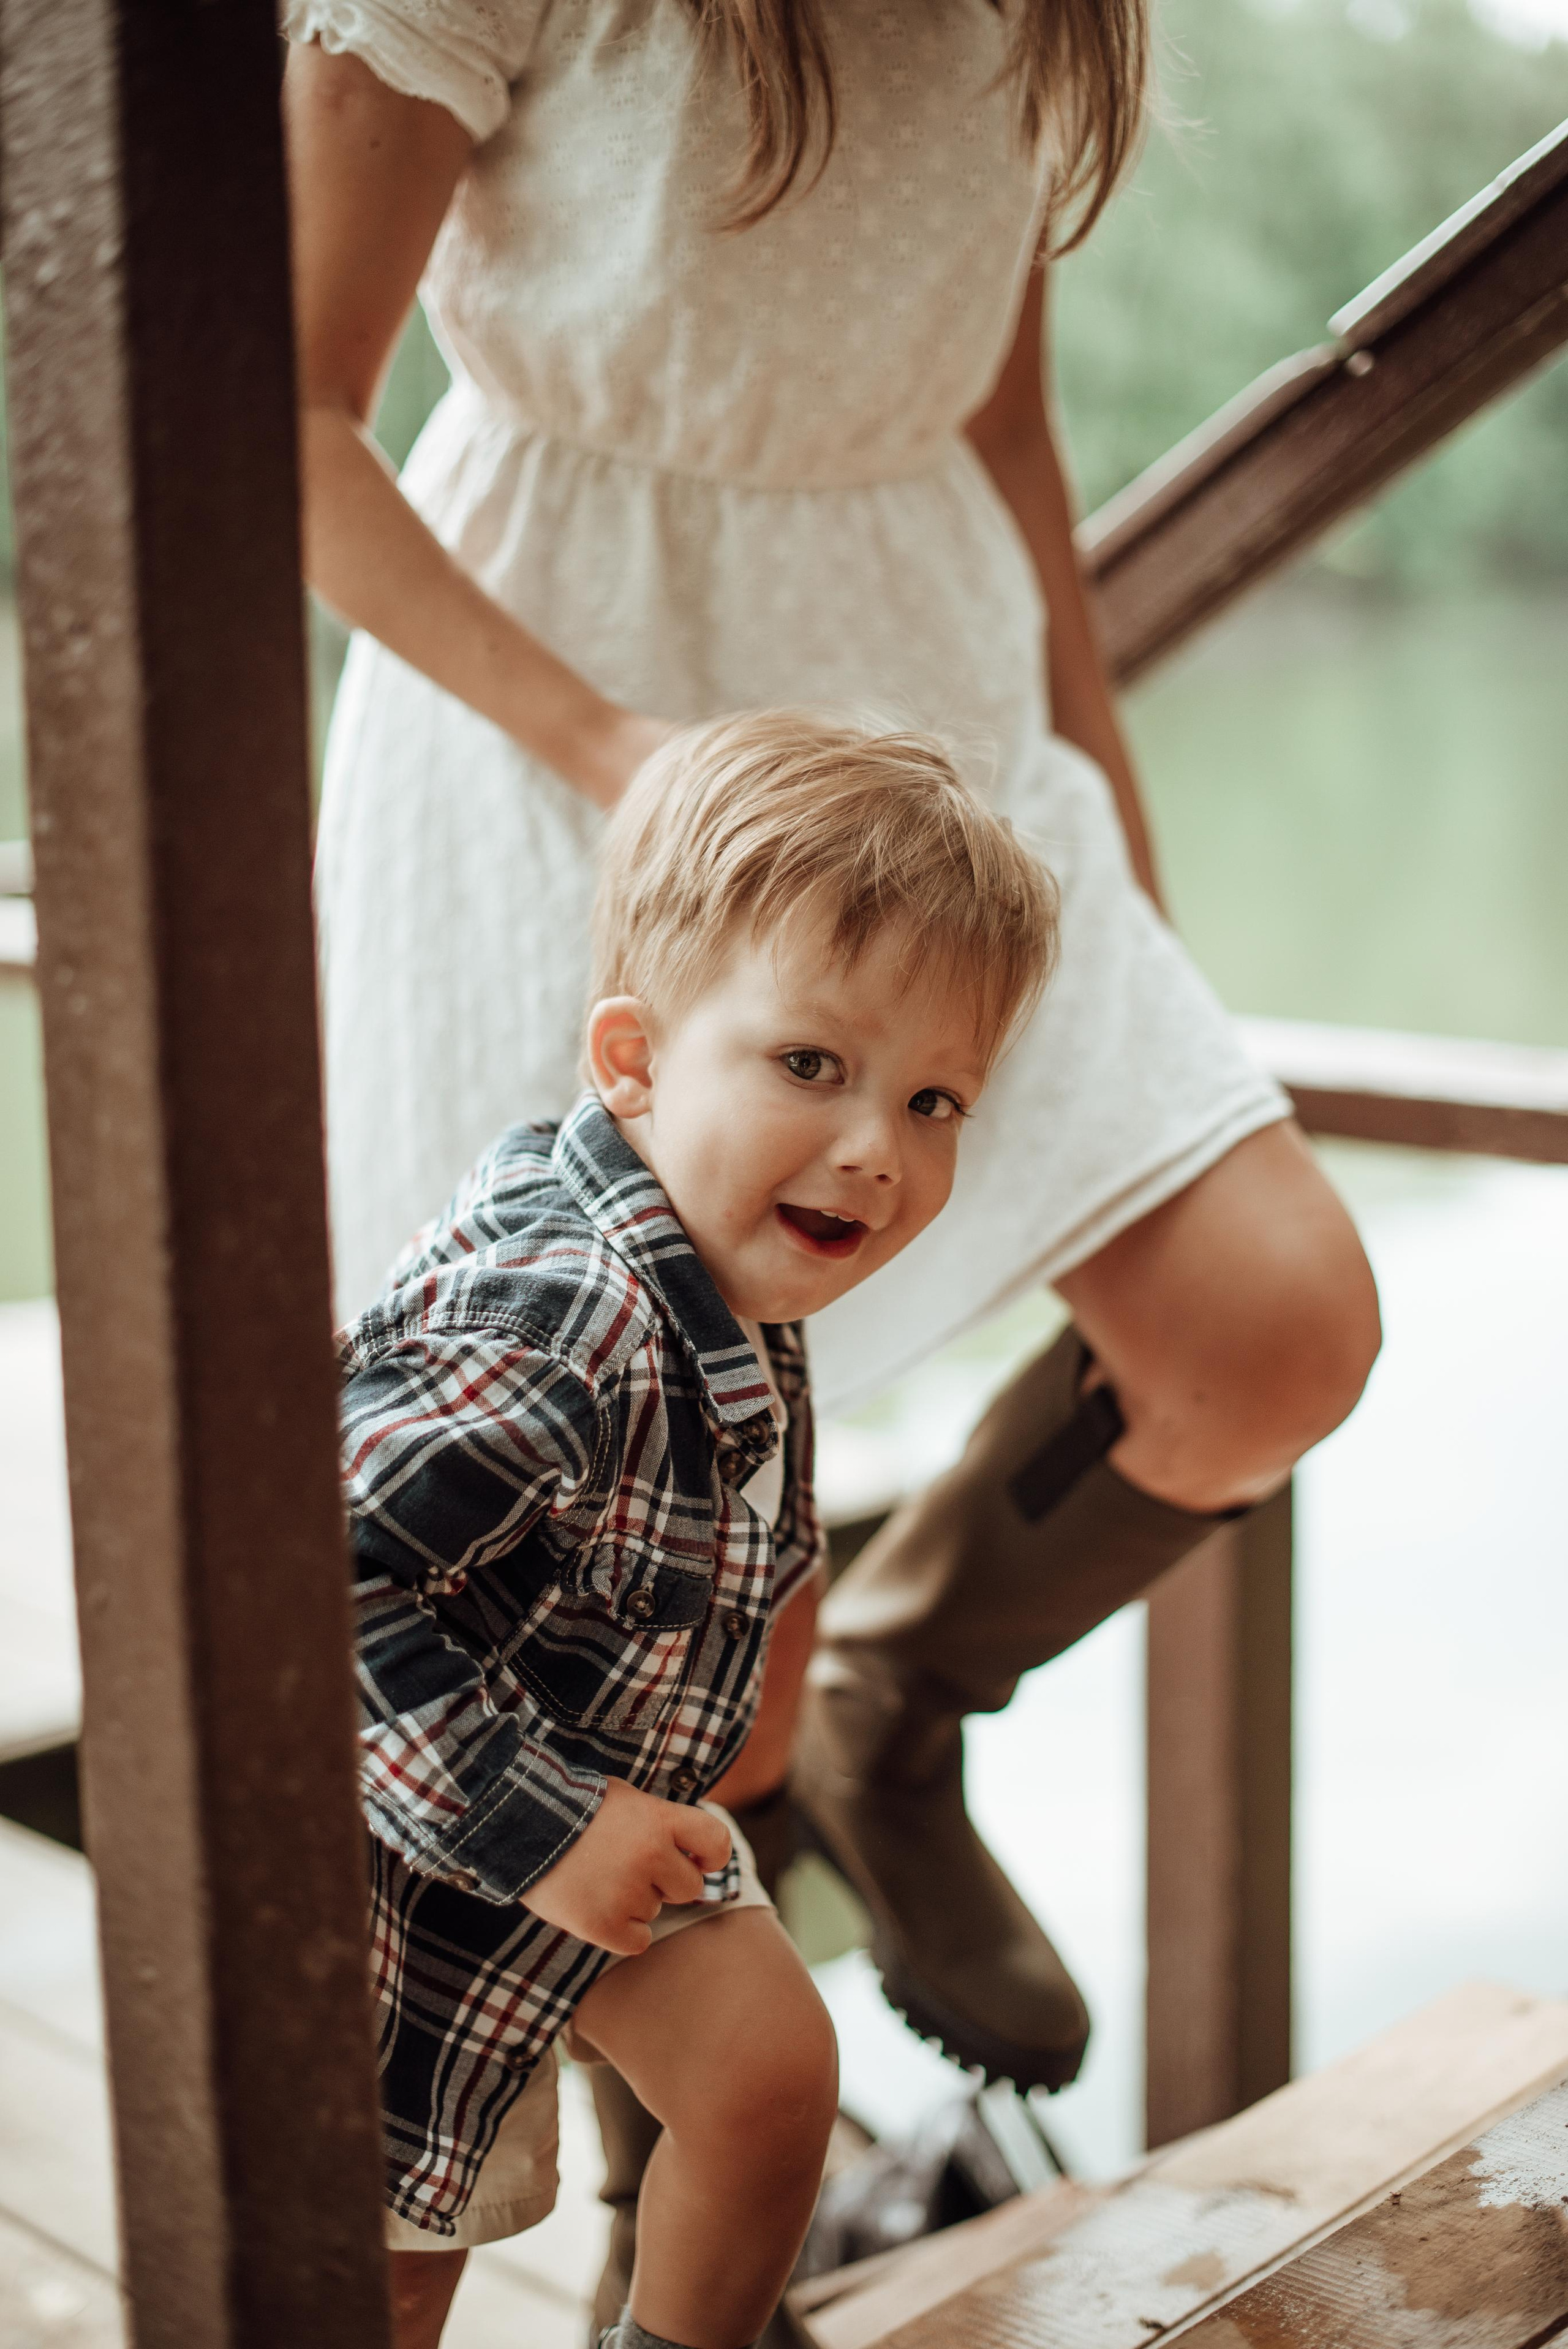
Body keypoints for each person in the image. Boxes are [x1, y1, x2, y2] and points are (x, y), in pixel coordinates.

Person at [284, 0, 1382, 2307]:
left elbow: (1008, 427)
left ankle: (909, 1698)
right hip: (582, 736)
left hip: (943, 769)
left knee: (1269, 1324)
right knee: (646, 1551)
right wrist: (617, 752)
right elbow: (277, 417)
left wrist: (1107, 831)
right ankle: (652, 2244)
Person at [339, 711, 1058, 2349]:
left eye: (935, 1099)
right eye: (812, 1065)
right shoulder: (566, 1316)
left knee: (767, 2076)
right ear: (636, 1059)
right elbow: (309, 1596)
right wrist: (549, 1832)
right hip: (393, 1873)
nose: (877, 1150)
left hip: (581, 1823)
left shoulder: (731, 1269)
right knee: (388, 2279)